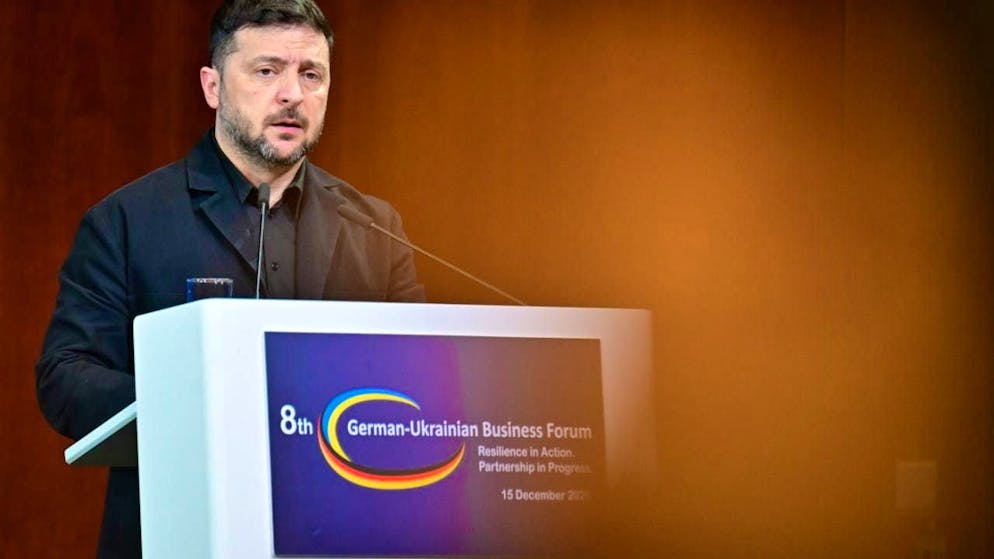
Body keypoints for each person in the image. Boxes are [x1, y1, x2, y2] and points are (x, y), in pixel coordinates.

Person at [35, 1, 424, 556]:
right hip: (179, 533)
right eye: (267, 71)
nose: (292, 93)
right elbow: (64, 378)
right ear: (213, 86)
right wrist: (203, 403)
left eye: (311, 74)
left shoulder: (375, 227)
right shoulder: (127, 221)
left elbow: (420, 386)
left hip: (340, 533)